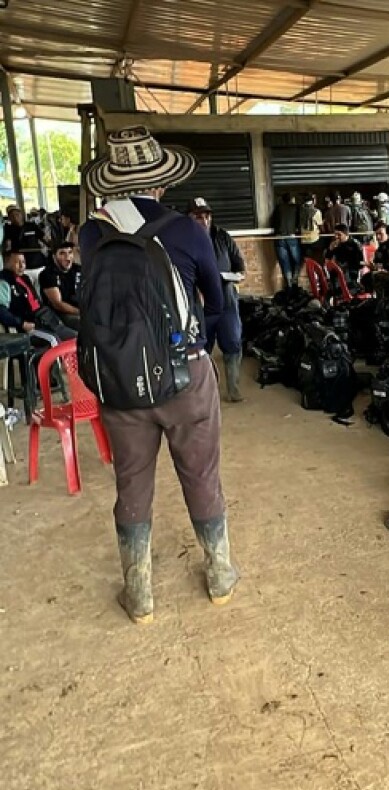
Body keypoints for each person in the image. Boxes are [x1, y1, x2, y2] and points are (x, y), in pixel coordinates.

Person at [77, 126, 237, 624]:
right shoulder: (189, 230)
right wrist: (208, 347)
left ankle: (140, 593)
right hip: (184, 373)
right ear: (161, 182)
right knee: (201, 474)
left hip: (120, 382)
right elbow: (215, 295)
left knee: (132, 483)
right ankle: (219, 575)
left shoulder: (90, 232)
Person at [189, 198, 246, 402]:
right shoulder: (185, 240)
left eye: (207, 216)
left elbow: (240, 268)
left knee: (232, 341)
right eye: (198, 217)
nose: (204, 221)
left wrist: (229, 276)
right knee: (201, 347)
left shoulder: (222, 237)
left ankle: (233, 389)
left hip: (227, 298)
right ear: (189, 218)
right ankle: (205, 392)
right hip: (200, 302)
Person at [1, 248, 76, 346]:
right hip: (31, 325)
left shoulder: (25, 278)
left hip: (46, 317)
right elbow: (2, 312)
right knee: (54, 341)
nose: (21, 265)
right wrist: (22, 323)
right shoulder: (4, 282)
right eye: (17, 262)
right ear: (6, 263)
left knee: (76, 337)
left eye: (23, 262)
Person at [38, 242, 84, 329]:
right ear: (54, 256)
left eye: (70, 252)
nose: (67, 257)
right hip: (61, 314)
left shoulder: (78, 269)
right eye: (62, 253)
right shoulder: (48, 274)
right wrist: (81, 312)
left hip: (81, 309)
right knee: (85, 324)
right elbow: (58, 304)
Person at [270, 192, 302, 291]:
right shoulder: (295, 208)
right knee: (297, 260)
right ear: (291, 199)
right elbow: (299, 223)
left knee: (285, 262)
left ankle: (289, 285)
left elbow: (273, 222)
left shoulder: (278, 208)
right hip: (291, 236)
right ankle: (295, 281)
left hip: (279, 237)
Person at [3, 204, 48, 272]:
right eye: (12, 216)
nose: (15, 217)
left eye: (17, 214)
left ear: (21, 214)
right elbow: (7, 245)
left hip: (39, 263)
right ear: (9, 218)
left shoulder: (32, 226)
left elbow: (44, 238)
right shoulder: (8, 230)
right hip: (22, 267)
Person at [324, 224, 365, 292]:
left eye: (339, 235)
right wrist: (330, 250)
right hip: (338, 271)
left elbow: (360, 263)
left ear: (346, 234)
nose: (336, 237)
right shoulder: (335, 244)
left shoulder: (355, 244)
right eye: (335, 235)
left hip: (351, 272)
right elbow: (327, 259)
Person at [298, 194, 323, 261]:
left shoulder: (299, 211)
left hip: (303, 240)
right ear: (313, 201)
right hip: (314, 239)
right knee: (316, 259)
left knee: (306, 261)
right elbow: (320, 225)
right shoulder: (317, 212)